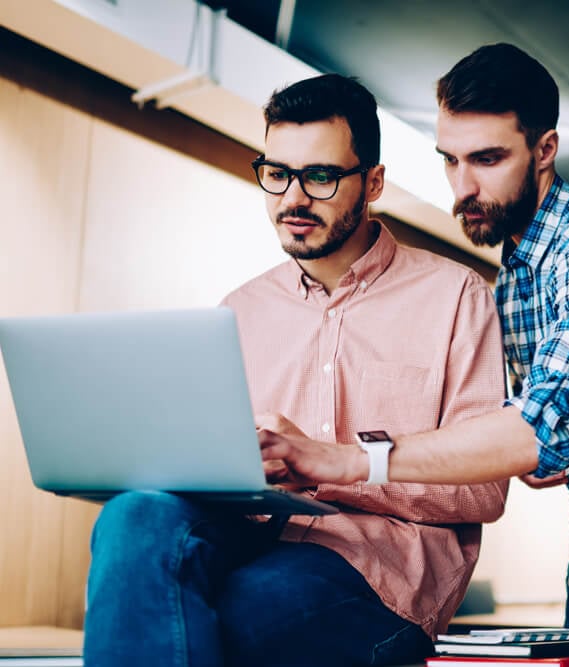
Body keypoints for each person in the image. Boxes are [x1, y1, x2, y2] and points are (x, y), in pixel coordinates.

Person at [258, 44, 569, 653]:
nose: (464, 187)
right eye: (451, 161)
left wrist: (345, 459)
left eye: (487, 159)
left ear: (545, 150)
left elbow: (542, 431)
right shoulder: (517, 272)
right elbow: (548, 450)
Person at [83, 73, 508, 667]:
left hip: (379, 579)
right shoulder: (239, 310)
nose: (293, 199)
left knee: (240, 608)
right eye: (277, 173)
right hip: (251, 539)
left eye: (320, 177)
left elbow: (484, 489)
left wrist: (324, 465)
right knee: (133, 516)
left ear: (374, 182)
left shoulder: (456, 297)